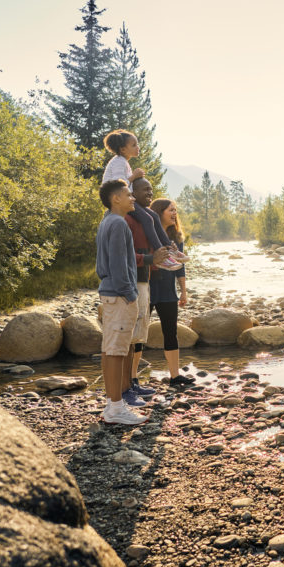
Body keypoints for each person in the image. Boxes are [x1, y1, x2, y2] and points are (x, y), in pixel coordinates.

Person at [95, 179, 147, 425]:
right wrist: (130, 294)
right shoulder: (118, 223)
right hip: (119, 295)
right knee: (117, 351)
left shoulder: (106, 221)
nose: (132, 198)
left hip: (110, 293)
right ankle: (115, 409)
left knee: (110, 350)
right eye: (128, 194)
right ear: (116, 198)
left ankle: (112, 404)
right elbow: (118, 264)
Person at [102, 129, 184, 271]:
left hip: (125, 199)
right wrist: (134, 176)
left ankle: (170, 249)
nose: (137, 147)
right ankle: (163, 257)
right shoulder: (119, 162)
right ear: (123, 149)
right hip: (118, 201)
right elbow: (117, 186)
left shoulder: (124, 162)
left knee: (153, 216)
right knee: (147, 219)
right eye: (133, 145)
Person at [122, 178, 170, 404]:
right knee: (131, 335)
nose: (150, 192)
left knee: (139, 333)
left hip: (144, 279)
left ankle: (132, 382)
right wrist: (152, 258)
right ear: (132, 192)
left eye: (151, 189)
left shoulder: (146, 218)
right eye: (145, 189)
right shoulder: (128, 220)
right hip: (133, 282)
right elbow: (128, 254)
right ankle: (125, 387)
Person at [150, 197, 196, 387]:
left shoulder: (176, 236)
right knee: (139, 333)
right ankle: (133, 378)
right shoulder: (148, 233)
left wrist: (183, 291)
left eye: (175, 209)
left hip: (168, 290)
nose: (175, 213)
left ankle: (175, 376)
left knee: (171, 332)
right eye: (171, 209)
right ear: (159, 212)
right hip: (149, 287)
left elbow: (180, 267)